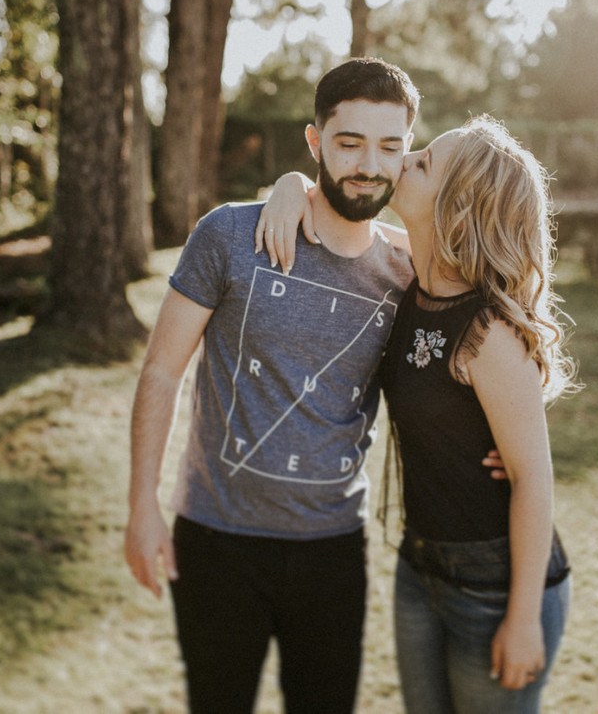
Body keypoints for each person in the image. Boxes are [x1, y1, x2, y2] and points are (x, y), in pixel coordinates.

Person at [124, 57, 420, 714]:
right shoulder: (229, 235)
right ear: (315, 142)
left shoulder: (411, 270)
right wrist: (142, 503)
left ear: (406, 152)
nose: (369, 163)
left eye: (389, 146)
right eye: (349, 142)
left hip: (334, 550)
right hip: (215, 543)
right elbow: (162, 368)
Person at [257, 114, 577, 713]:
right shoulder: (410, 273)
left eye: (422, 161)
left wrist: (524, 617)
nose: (401, 161)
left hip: (497, 585)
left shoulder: (488, 331)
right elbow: (333, 215)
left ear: (457, 207)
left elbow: (534, 478)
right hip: (418, 566)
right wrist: (289, 186)